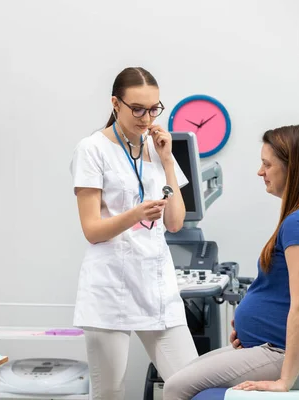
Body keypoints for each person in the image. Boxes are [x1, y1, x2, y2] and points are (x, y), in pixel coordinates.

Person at [163, 125, 299, 399]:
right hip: (271, 347)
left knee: (176, 387)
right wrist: (252, 331)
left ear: (292, 168)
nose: (261, 172)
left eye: (267, 164)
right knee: (180, 376)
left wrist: (284, 381)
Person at [69, 67, 198, 399]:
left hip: (156, 283)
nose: (146, 117)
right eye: (137, 109)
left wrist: (168, 161)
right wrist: (135, 215)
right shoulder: (92, 149)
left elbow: (174, 223)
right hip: (110, 285)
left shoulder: (157, 148)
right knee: (110, 392)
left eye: (154, 109)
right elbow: (92, 230)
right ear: (116, 104)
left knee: (193, 386)